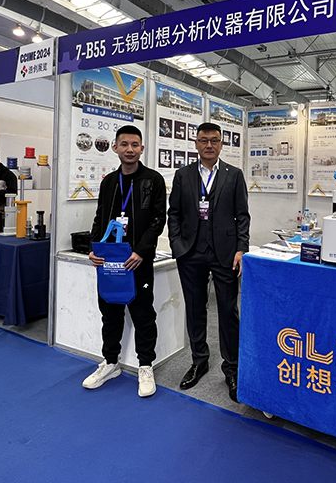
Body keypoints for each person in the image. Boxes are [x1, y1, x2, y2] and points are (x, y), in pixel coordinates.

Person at [168, 122, 250, 403]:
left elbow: (242, 216)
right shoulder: (183, 175)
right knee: (195, 309)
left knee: (228, 311)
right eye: (204, 140)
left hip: (225, 253)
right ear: (196, 144)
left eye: (214, 140)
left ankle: (232, 369)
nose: (209, 145)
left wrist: (241, 248)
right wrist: (177, 245)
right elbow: (174, 213)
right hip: (190, 252)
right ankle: (199, 361)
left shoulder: (234, 175)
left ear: (222, 144)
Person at [83, 125, 166, 398]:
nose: (129, 149)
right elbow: (100, 217)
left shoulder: (153, 180)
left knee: (143, 315)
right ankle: (110, 363)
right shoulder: (108, 182)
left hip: (137, 261)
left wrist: (141, 251)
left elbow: (158, 220)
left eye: (134, 144)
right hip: (110, 261)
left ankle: (145, 366)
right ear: (115, 147)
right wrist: (93, 248)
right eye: (124, 144)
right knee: (110, 313)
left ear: (142, 148)